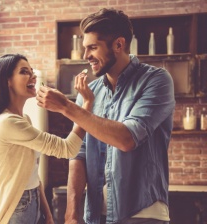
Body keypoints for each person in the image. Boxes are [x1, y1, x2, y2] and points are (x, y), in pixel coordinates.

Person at [36, 8, 175, 224]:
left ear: (118, 45)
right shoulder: (88, 95)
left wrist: (66, 106)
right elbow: (79, 155)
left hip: (142, 212)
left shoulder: (156, 81)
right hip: (96, 215)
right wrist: (71, 213)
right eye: (85, 48)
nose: (85, 56)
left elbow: (127, 138)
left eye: (93, 47)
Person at [0, 53, 94, 224]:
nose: (32, 76)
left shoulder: (23, 119)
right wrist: (87, 103)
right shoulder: (8, 122)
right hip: (15, 206)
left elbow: (31, 172)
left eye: (31, 71)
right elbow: (67, 148)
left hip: (30, 200)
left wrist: (47, 213)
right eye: (24, 71)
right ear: (7, 81)